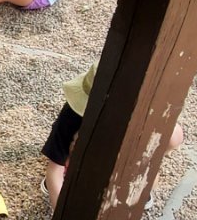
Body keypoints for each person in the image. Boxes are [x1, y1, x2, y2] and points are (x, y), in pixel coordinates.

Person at [42, 64, 185, 210]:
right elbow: (54, 170)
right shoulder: (71, 117)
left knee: (173, 136)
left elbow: (153, 179)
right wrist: (63, 216)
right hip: (84, 155)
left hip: (117, 153)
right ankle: (72, 176)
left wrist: (144, 173)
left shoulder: (141, 119)